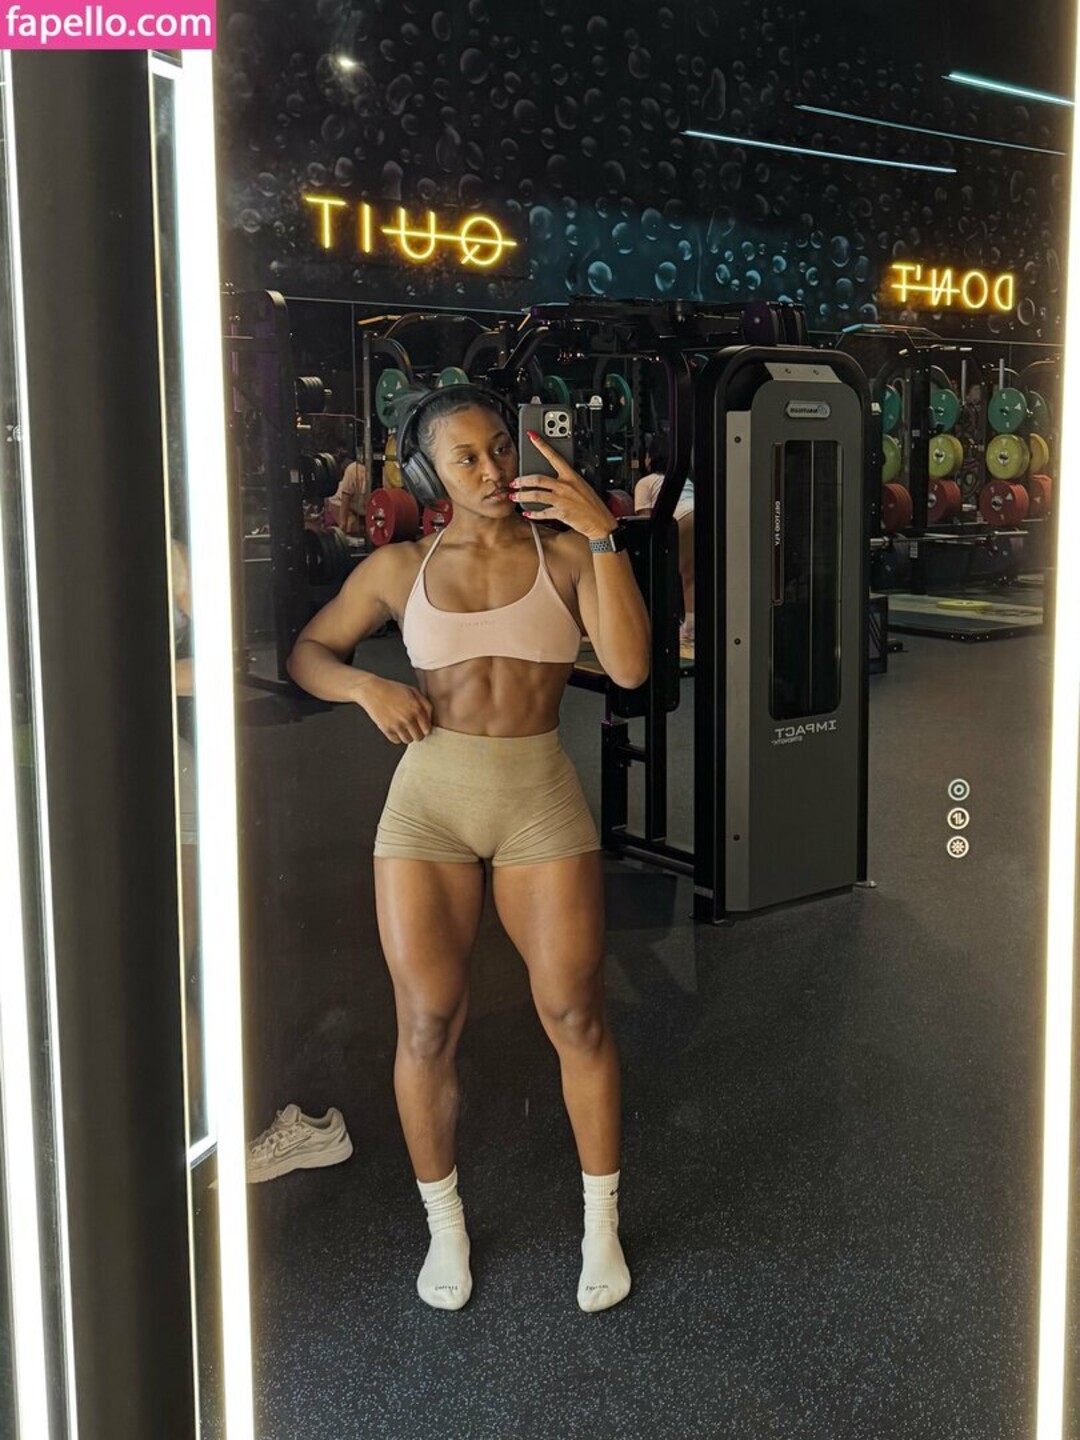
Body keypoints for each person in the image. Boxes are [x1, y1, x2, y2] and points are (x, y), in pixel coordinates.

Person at [286, 385, 650, 1313]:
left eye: (500, 449)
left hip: (537, 802)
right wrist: (366, 690)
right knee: (426, 1025)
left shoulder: (567, 554)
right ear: (428, 474)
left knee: (575, 1014)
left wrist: (604, 535)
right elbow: (309, 654)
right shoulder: (397, 567)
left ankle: (600, 1224)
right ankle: (444, 1225)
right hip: (428, 810)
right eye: (466, 458)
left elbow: (631, 666)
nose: (491, 471)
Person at [634, 437, 695, 654]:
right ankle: (691, 626)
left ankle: (685, 630)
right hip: (703, 514)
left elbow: (645, 521)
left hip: (683, 518)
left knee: (674, 575)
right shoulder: (684, 479)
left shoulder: (646, 482)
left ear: (649, 458)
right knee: (694, 575)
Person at [325, 444, 369, 536]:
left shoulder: (384, 471)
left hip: (358, 507)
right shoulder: (353, 469)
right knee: (356, 528)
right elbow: (346, 495)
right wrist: (343, 525)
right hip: (339, 503)